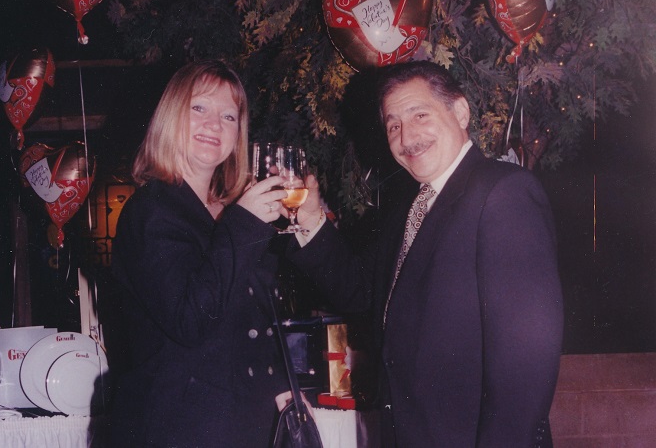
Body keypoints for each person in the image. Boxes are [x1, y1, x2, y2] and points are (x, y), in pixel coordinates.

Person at [290, 61, 564, 447]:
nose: (407, 137)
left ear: (461, 112)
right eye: (394, 125)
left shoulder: (502, 193)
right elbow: (358, 291)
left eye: (420, 115)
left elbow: (527, 366)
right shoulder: (407, 208)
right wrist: (312, 220)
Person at [107, 60, 290, 447]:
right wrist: (244, 223)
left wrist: (278, 389)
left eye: (228, 115)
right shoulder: (151, 209)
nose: (214, 125)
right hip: (177, 429)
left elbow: (250, 326)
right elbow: (190, 319)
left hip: (242, 425)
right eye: (199, 108)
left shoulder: (228, 213)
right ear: (171, 116)